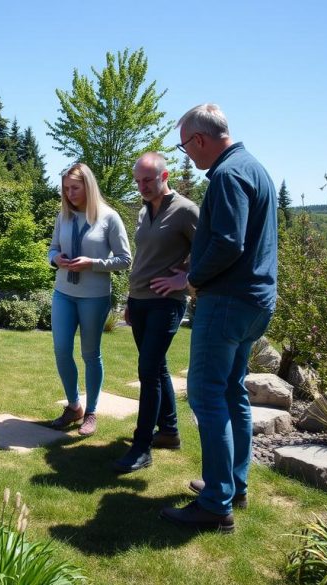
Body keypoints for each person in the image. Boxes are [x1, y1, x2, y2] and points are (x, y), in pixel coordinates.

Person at [153, 104, 277, 533]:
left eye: (185, 147)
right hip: (255, 302)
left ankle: (215, 502)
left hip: (226, 300)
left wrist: (192, 277)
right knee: (231, 392)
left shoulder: (227, 175)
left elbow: (227, 243)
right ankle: (233, 486)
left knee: (206, 396)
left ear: (200, 140)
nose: (187, 155)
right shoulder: (254, 168)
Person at [112, 152, 198, 474]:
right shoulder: (144, 211)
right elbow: (144, 256)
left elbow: (210, 249)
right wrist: (131, 299)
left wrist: (185, 277)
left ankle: (141, 446)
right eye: (138, 181)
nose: (142, 186)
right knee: (158, 367)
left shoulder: (186, 211)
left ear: (165, 176)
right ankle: (171, 431)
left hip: (167, 301)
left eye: (147, 180)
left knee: (147, 370)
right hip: (141, 299)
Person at [47, 162, 131, 436]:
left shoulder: (109, 217)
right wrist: (55, 259)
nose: (69, 193)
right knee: (61, 350)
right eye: (66, 188)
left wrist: (93, 263)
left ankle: (91, 412)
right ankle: (74, 406)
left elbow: (124, 259)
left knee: (90, 354)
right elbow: (53, 248)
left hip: (94, 297)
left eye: (75, 187)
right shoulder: (64, 216)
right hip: (63, 293)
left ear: (88, 186)